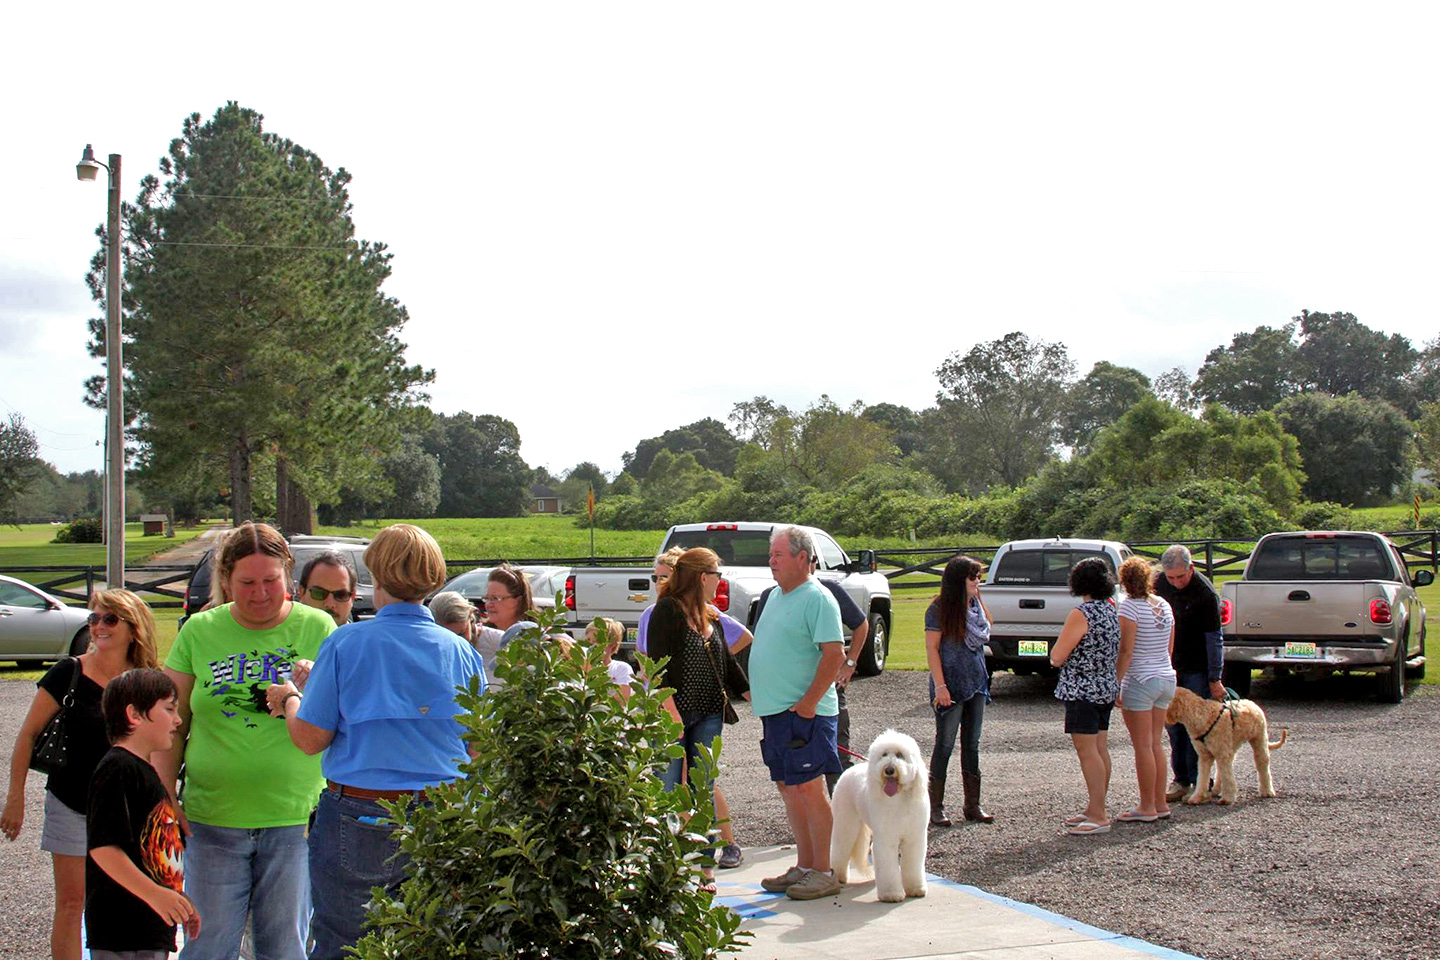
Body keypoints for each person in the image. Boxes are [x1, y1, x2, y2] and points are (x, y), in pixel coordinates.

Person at [265, 523, 486, 960]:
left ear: (376, 575)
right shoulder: (461, 651)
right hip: (444, 813)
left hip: (360, 815)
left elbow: (310, 739)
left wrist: (291, 697)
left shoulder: (346, 643)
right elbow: (478, 748)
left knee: (346, 944)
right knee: (433, 944)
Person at [158, 522, 336, 960]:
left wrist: (320, 686)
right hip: (211, 818)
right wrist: (164, 797)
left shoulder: (320, 626)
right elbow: (169, 723)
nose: (259, 593)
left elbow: (345, 719)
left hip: (295, 819)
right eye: (247, 583)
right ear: (225, 580)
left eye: (271, 581)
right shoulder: (199, 631)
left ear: (288, 577)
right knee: (208, 946)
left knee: (283, 948)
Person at [3, 589, 159, 960]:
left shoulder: (145, 681)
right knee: (72, 905)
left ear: (133, 629)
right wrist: (15, 798)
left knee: (126, 901)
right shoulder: (67, 672)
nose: (98, 627)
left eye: (109, 619)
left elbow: (154, 751)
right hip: (71, 804)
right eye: (93, 618)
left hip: (126, 811)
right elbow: (26, 735)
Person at [637, 547, 752, 869]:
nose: (720, 581)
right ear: (703, 577)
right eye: (717, 575)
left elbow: (728, 663)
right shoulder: (667, 612)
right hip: (674, 714)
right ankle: (666, 858)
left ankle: (703, 859)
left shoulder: (708, 613)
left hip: (709, 713)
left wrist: (756, 698)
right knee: (669, 787)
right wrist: (671, 714)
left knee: (703, 785)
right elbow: (656, 667)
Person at [752, 526, 845, 901]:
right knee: (789, 788)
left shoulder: (818, 598)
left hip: (805, 713)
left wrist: (808, 704)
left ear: (803, 558)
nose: (771, 561)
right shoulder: (775, 595)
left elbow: (834, 653)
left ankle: (824, 870)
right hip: (777, 713)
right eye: (771, 555)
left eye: (778, 555)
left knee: (809, 788)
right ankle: (805, 865)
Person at [85, 667, 199, 958]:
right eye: (169, 709)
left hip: (150, 928)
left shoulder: (144, 771)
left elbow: (151, 854)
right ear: (134, 715)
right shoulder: (117, 769)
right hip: (123, 931)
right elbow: (104, 848)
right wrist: (155, 895)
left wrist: (176, 899)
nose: (178, 719)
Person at [753, 553, 868, 796]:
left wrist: (849, 663)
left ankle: (843, 816)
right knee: (792, 774)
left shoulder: (826, 591)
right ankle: (818, 823)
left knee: (837, 752)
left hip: (824, 689)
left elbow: (861, 623)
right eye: (771, 555)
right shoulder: (770, 596)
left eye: (779, 555)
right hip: (784, 700)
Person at [1050, 557, 1121, 836]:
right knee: (1100, 748)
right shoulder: (1109, 609)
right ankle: (1095, 807)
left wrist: (1055, 659)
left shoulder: (1082, 613)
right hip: (1104, 686)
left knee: (1087, 751)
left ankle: (1099, 814)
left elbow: (1058, 655)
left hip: (1082, 689)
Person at [924, 556, 995, 827]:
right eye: (972, 576)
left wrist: (978, 596)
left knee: (972, 744)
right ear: (958, 580)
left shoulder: (975, 605)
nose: (977, 580)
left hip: (977, 680)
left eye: (978, 576)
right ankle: (935, 806)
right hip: (950, 684)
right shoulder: (939, 609)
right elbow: (932, 649)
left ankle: (972, 805)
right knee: (945, 743)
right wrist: (940, 686)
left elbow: (989, 626)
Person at [1153, 545, 1224, 803]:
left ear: (1191, 568)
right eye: (1171, 577)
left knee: (1198, 727)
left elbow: (1214, 638)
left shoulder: (1205, 593)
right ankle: (1181, 779)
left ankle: (1201, 780)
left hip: (1197, 667)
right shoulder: (1158, 583)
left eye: (1180, 577)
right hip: (1168, 665)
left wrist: (1215, 677)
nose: (1176, 582)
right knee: (1172, 726)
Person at [1115, 556, 1178, 823]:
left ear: (1124, 581)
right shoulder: (1164, 605)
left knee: (1142, 746)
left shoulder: (1129, 608)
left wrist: (1116, 682)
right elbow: (1169, 647)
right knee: (1155, 743)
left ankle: (1146, 806)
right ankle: (1159, 802)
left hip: (1141, 678)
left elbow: (1126, 650)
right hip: (1165, 676)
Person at [471, 564, 538, 691]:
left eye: (496, 598)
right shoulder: (480, 636)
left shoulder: (533, 637)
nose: (489, 605)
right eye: (487, 598)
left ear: (517, 601)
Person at [297, 550, 359, 628]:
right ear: (302, 593)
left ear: (353, 597)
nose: (330, 604)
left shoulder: (363, 640)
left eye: (341, 595)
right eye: (319, 593)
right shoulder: (284, 638)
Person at [589, 617, 632, 701]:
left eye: (595, 641)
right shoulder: (583, 669)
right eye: (588, 640)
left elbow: (623, 698)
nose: (591, 644)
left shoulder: (621, 668)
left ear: (612, 644)